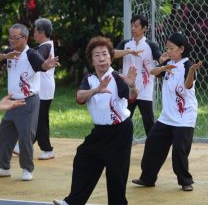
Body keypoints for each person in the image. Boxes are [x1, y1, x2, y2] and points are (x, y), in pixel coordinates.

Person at [53, 36, 137, 205]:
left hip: (120, 131)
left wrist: (132, 86)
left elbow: (132, 98)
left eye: (105, 54)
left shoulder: (118, 78)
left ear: (111, 57)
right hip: (100, 132)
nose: (101, 58)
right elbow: (79, 97)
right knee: (83, 157)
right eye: (97, 55)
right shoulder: (89, 80)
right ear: (92, 60)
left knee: (116, 173)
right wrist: (97, 89)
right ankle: (73, 202)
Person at [131, 33, 201, 192]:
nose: (169, 50)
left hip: (184, 118)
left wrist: (191, 72)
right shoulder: (169, 63)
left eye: (172, 48)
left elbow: (188, 85)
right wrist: (163, 65)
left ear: (182, 49)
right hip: (167, 117)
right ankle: (148, 178)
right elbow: (153, 72)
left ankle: (185, 180)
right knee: (152, 144)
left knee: (179, 150)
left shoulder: (188, 65)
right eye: (167, 48)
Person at [0, 23, 58, 181]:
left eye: (15, 38)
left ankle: (27, 169)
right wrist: (6, 56)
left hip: (28, 101)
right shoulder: (9, 52)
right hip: (12, 101)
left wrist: (48, 64)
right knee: (4, 134)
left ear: (24, 38)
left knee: (26, 136)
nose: (12, 40)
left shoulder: (31, 54)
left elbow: (42, 65)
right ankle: (4, 167)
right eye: (10, 37)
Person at [12, 18, 57, 159]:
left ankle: (47, 149)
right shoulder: (44, 46)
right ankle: (25, 145)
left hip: (43, 90)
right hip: (43, 89)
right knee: (38, 120)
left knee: (40, 120)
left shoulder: (45, 47)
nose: (33, 34)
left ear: (42, 32)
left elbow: (37, 61)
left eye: (35, 31)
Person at [115, 14, 162, 136]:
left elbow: (160, 58)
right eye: (132, 26)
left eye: (136, 26)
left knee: (148, 122)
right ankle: (121, 146)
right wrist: (129, 51)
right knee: (124, 120)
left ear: (144, 28)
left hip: (144, 90)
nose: (133, 29)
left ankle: (152, 150)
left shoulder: (151, 45)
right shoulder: (125, 44)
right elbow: (112, 54)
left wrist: (166, 59)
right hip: (128, 89)